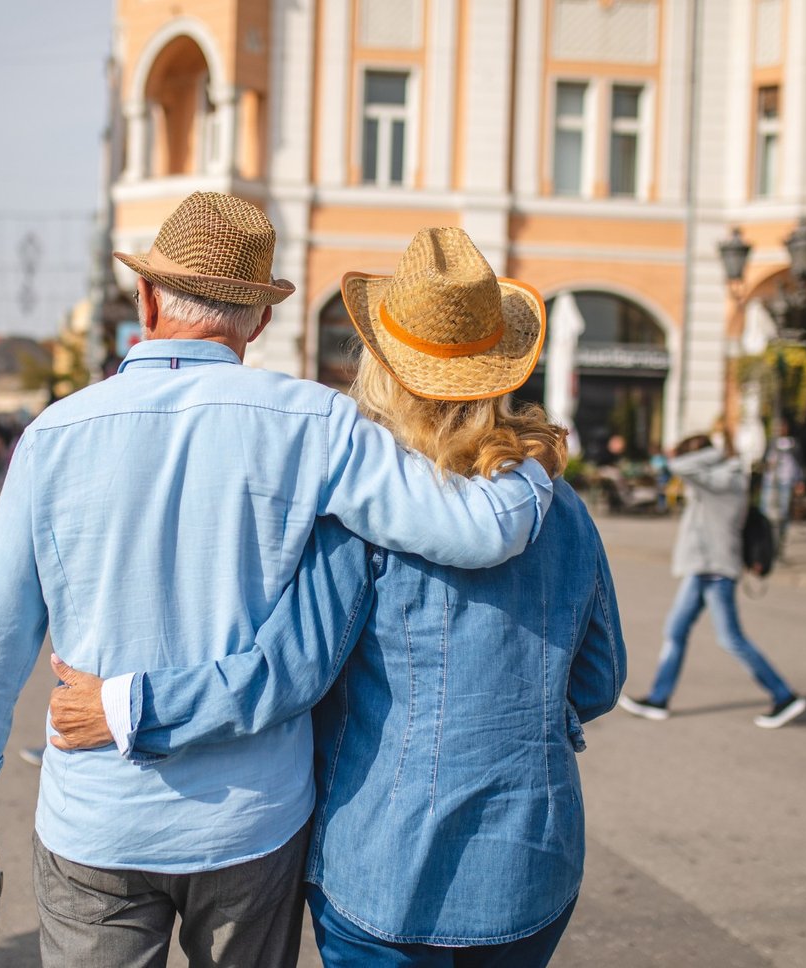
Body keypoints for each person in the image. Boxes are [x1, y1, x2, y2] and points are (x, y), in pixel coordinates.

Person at [0, 194, 555, 968]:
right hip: (250, 824)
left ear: (146, 298)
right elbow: (477, 531)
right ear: (256, 321)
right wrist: (532, 464)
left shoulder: (54, 434)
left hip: (98, 819)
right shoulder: (316, 423)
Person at [47, 226, 626, 967]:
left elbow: (285, 676)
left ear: (381, 365)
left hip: (386, 865)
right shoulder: (558, 504)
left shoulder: (366, 512)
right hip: (532, 860)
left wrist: (128, 707)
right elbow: (600, 679)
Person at [619, 434, 806, 728]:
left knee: (730, 638)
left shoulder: (726, 480)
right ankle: (658, 699)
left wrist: (708, 453)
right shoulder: (715, 477)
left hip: (716, 570)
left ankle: (784, 696)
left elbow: (679, 466)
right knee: (675, 630)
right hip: (702, 569)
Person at [760, 417, 804, 556]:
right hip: (770, 483)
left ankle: (780, 540)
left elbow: (799, 463)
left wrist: (799, 481)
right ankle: (768, 541)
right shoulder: (770, 443)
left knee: (783, 512)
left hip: (786, 482)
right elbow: (763, 462)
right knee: (766, 512)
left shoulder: (793, 444)